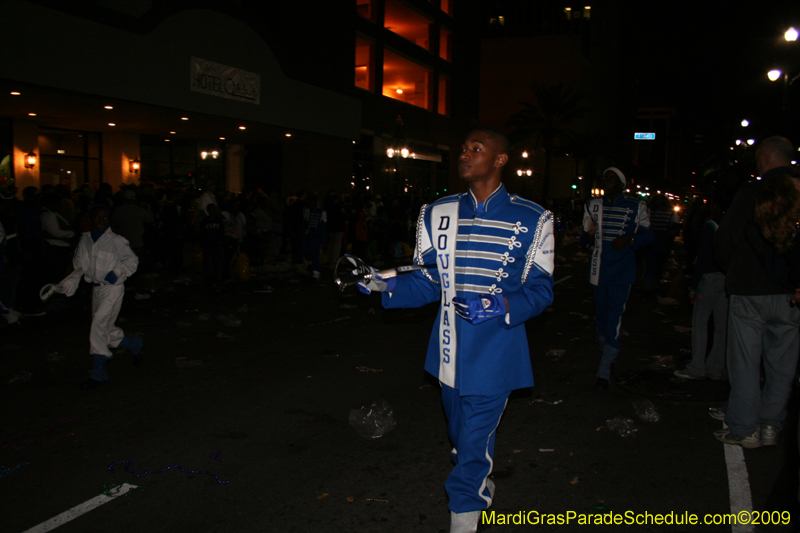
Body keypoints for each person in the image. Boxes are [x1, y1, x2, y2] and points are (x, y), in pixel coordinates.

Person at [358, 128, 555, 533]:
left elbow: (540, 291)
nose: (465, 155)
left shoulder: (535, 218)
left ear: (500, 160)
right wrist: (386, 283)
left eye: (476, 149)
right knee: (461, 435)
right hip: (446, 350)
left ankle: (464, 512)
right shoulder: (437, 212)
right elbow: (429, 281)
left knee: (472, 442)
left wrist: (500, 304)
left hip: (497, 351)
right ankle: (478, 480)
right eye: (463, 148)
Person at [713, 135, 800, 448]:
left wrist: (732, 270)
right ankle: (770, 425)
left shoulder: (753, 192)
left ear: (764, 157)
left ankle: (744, 426)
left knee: (745, 361)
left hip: (750, 289)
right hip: (790, 291)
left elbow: (725, 240)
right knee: (782, 362)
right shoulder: (797, 190)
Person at [48, 204, 144, 389]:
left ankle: (99, 372)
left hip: (113, 289)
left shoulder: (116, 240)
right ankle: (133, 345)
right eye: (97, 218)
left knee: (98, 325)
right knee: (105, 329)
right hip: (97, 290)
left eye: (105, 218)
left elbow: (132, 260)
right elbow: (78, 268)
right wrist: (63, 285)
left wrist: (117, 272)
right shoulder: (85, 241)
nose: (101, 222)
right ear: (90, 220)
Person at [579, 167, 654, 391]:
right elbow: (583, 242)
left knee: (614, 317)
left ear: (622, 184)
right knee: (600, 317)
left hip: (622, 271)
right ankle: (608, 355)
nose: (607, 181)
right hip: (598, 270)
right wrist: (588, 234)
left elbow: (649, 235)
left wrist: (630, 239)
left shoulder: (635, 205)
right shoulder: (592, 205)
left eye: (612, 178)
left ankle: (604, 371)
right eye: (605, 178)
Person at [675, 189, 731, 381]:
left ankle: (697, 366)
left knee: (700, 322)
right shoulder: (735, 223)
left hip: (708, 279)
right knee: (722, 326)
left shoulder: (711, 225)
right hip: (726, 280)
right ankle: (715, 367)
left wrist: (693, 286)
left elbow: (703, 257)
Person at [111, 188, 154, 300]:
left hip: (123, 245)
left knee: (123, 268)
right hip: (137, 243)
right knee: (138, 270)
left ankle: (125, 287)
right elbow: (150, 220)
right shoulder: (139, 211)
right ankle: (138, 291)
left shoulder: (118, 211)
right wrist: (148, 208)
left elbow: (113, 226)